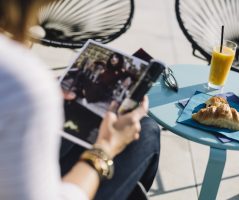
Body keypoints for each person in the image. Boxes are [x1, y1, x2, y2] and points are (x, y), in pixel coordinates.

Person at [0, 1, 160, 200]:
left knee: (138, 126)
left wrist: (46, 91)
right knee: (145, 132)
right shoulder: (20, 81)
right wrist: (106, 147)